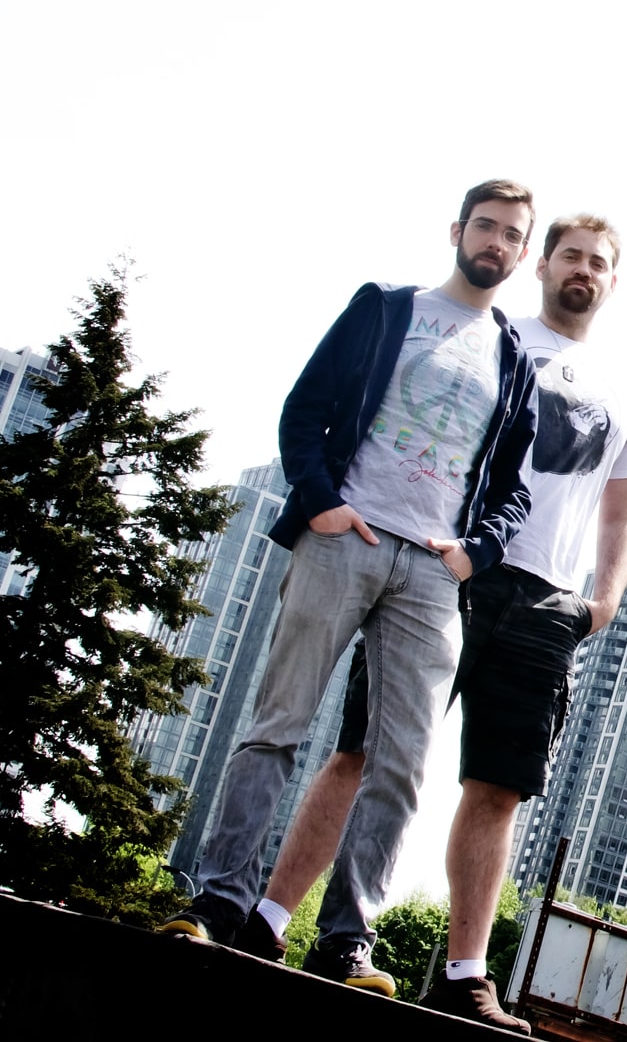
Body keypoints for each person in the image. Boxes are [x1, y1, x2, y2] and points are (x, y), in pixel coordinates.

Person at [254, 214, 627, 1031]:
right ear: (540, 263)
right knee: (362, 750)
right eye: (569, 254)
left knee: (498, 786)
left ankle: (465, 973)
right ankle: (269, 922)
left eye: (598, 262)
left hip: (546, 601)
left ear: (613, 280)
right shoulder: (495, 340)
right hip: (447, 567)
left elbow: (621, 514)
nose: (582, 269)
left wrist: (601, 601)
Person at [159, 180, 542, 999]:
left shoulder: (512, 357)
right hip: (346, 542)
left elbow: (513, 487)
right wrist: (324, 505)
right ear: (457, 231)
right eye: (486, 226)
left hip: (434, 577)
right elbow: (304, 410)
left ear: (521, 252)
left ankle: (344, 943)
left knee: (401, 762)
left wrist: (476, 551)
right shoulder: (385, 307)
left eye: (512, 235)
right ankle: (219, 904)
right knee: (277, 726)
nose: (496, 243)